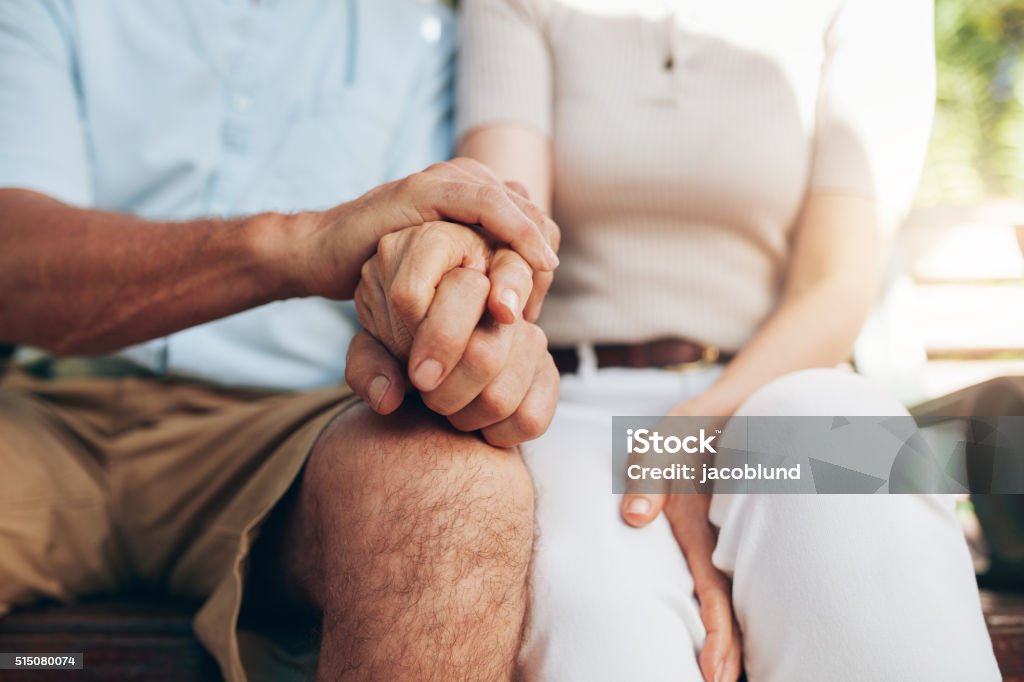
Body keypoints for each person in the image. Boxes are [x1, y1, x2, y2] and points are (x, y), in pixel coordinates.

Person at [0, 2, 561, 680]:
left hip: (304, 430)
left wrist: (454, 299)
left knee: (463, 495)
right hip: (48, 415)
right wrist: (314, 252)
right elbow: (13, 261)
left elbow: (457, 233)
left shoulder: (433, 30)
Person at [457, 0, 1002, 679]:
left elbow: (837, 284)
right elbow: (504, 231)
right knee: (592, 597)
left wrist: (696, 424)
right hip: (570, 405)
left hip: (780, 381)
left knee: (858, 476)